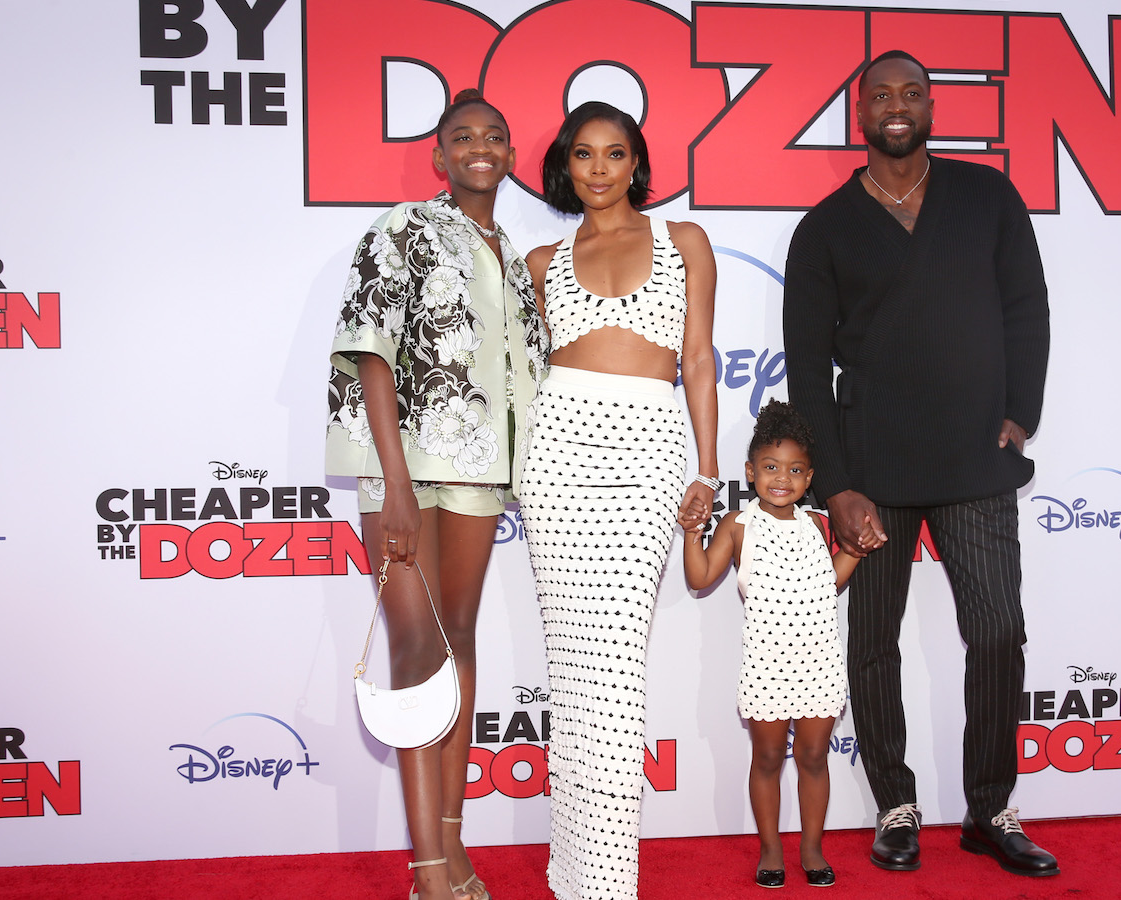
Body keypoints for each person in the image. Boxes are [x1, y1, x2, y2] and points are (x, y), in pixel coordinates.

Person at [781, 50, 1058, 877]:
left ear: (932, 106)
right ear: (858, 115)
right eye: (880, 97)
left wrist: (1021, 415)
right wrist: (837, 482)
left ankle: (990, 809)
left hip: (976, 454)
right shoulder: (824, 229)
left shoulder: (987, 197)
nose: (896, 107)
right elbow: (805, 370)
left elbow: (1027, 308)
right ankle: (895, 805)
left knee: (999, 632)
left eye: (911, 93)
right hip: (872, 471)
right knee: (870, 643)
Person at [325, 89, 548, 900]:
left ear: (512, 155)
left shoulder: (513, 256)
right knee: (419, 652)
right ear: (440, 156)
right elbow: (371, 351)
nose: (480, 146)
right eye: (463, 136)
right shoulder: (404, 228)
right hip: (409, 473)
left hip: (483, 475)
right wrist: (390, 484)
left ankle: (453, 847)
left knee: (457, 638)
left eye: (495, 134)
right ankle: (428, 875)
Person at [520, 100, 719, 900]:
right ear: (565, 167)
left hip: (647, 454)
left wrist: (706, 471)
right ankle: (579, 874)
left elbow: (699, 360)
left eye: (613, 154)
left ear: (637, 163)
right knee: (574, 673)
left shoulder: (684, 240)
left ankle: (601, 879)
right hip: (558, 455)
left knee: (614, 672)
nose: (598, 170)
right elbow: (532, 379)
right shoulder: (540, 258)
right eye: (581, 156)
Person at [679, 400, 858, 890]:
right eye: (771, 467)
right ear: (750, 471)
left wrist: (855, 553)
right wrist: (694, 531)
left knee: (815, 758)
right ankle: (772, 849)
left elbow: (829, 585)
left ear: (810, 476)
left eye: (796, 470)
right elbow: (699, 578)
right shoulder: (739, 525)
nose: (783, 478)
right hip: (768, 665)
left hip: (820, 662)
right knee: (768, 759)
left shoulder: (819, 525)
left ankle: (812, 849)